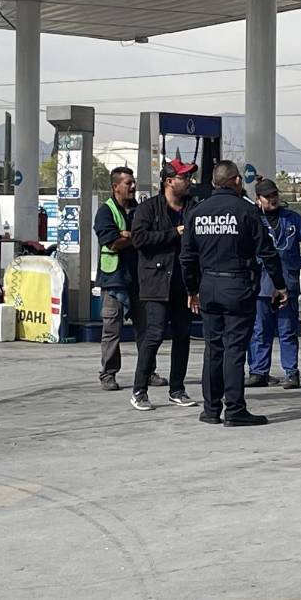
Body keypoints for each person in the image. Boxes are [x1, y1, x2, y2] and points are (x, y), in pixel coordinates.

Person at [181, 161, 289, 427]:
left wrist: (192, 289)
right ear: (237, 181)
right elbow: (267, 252)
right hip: (237, 285)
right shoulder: (246, 210)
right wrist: (279, 285)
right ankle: (235, 409)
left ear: (214, 182)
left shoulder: (197, 212)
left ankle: (210, 409)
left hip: (208, 285)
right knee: (235, 349)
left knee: (213, 348)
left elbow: (187, 257)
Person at [128, 159, 199, 411]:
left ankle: (177, 389)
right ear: (169, 181)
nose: (189, 181)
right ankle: (139, 390)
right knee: (154, 335)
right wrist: (174, 233)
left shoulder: (193, 208)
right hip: (156, 283)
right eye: (184, 177)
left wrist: (195, 285)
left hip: (184, 284)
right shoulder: (148, 208)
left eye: (189, 177)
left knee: (182, 335)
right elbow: (139, 239)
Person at [245, 178, 301, 390]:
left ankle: (291, 372)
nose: (272, 199)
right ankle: (258, 372)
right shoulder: (253, 219)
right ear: (258, 199)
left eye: (275, 195)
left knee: (287, 330)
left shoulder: (291, 218)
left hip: (287, 283)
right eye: (267, 196)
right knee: (260, 330)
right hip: (261, 284)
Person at [94, 166, 142, 391]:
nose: (133, 186)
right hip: (114, 280)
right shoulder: (106, 212)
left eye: (133, 182)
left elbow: (148, 233)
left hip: (138, 278)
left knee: (146, 329)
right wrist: (135, 236)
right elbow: (112, 242)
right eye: (128, 183)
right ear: (115, 187)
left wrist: (127, 235)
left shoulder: (139, 210)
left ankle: (147, 371)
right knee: (112, 329)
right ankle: (108, 374)